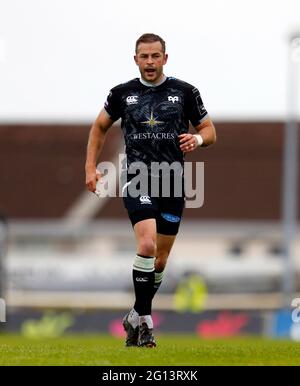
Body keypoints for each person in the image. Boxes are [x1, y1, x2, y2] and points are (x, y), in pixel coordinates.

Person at [85, 33, 216, 347]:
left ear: (165, 59)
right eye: (144, 56)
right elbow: (99, 127)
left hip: (172, 181)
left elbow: (209, 130)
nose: (150, 62)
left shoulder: (185, 92)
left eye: (155, 56)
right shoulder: (122, 93)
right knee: (146, 245)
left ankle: (135, 313)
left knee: (159, 261)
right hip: (138, 178)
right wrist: (90, 167)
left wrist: (197, 140)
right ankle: (146, 323)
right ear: (136, 59)